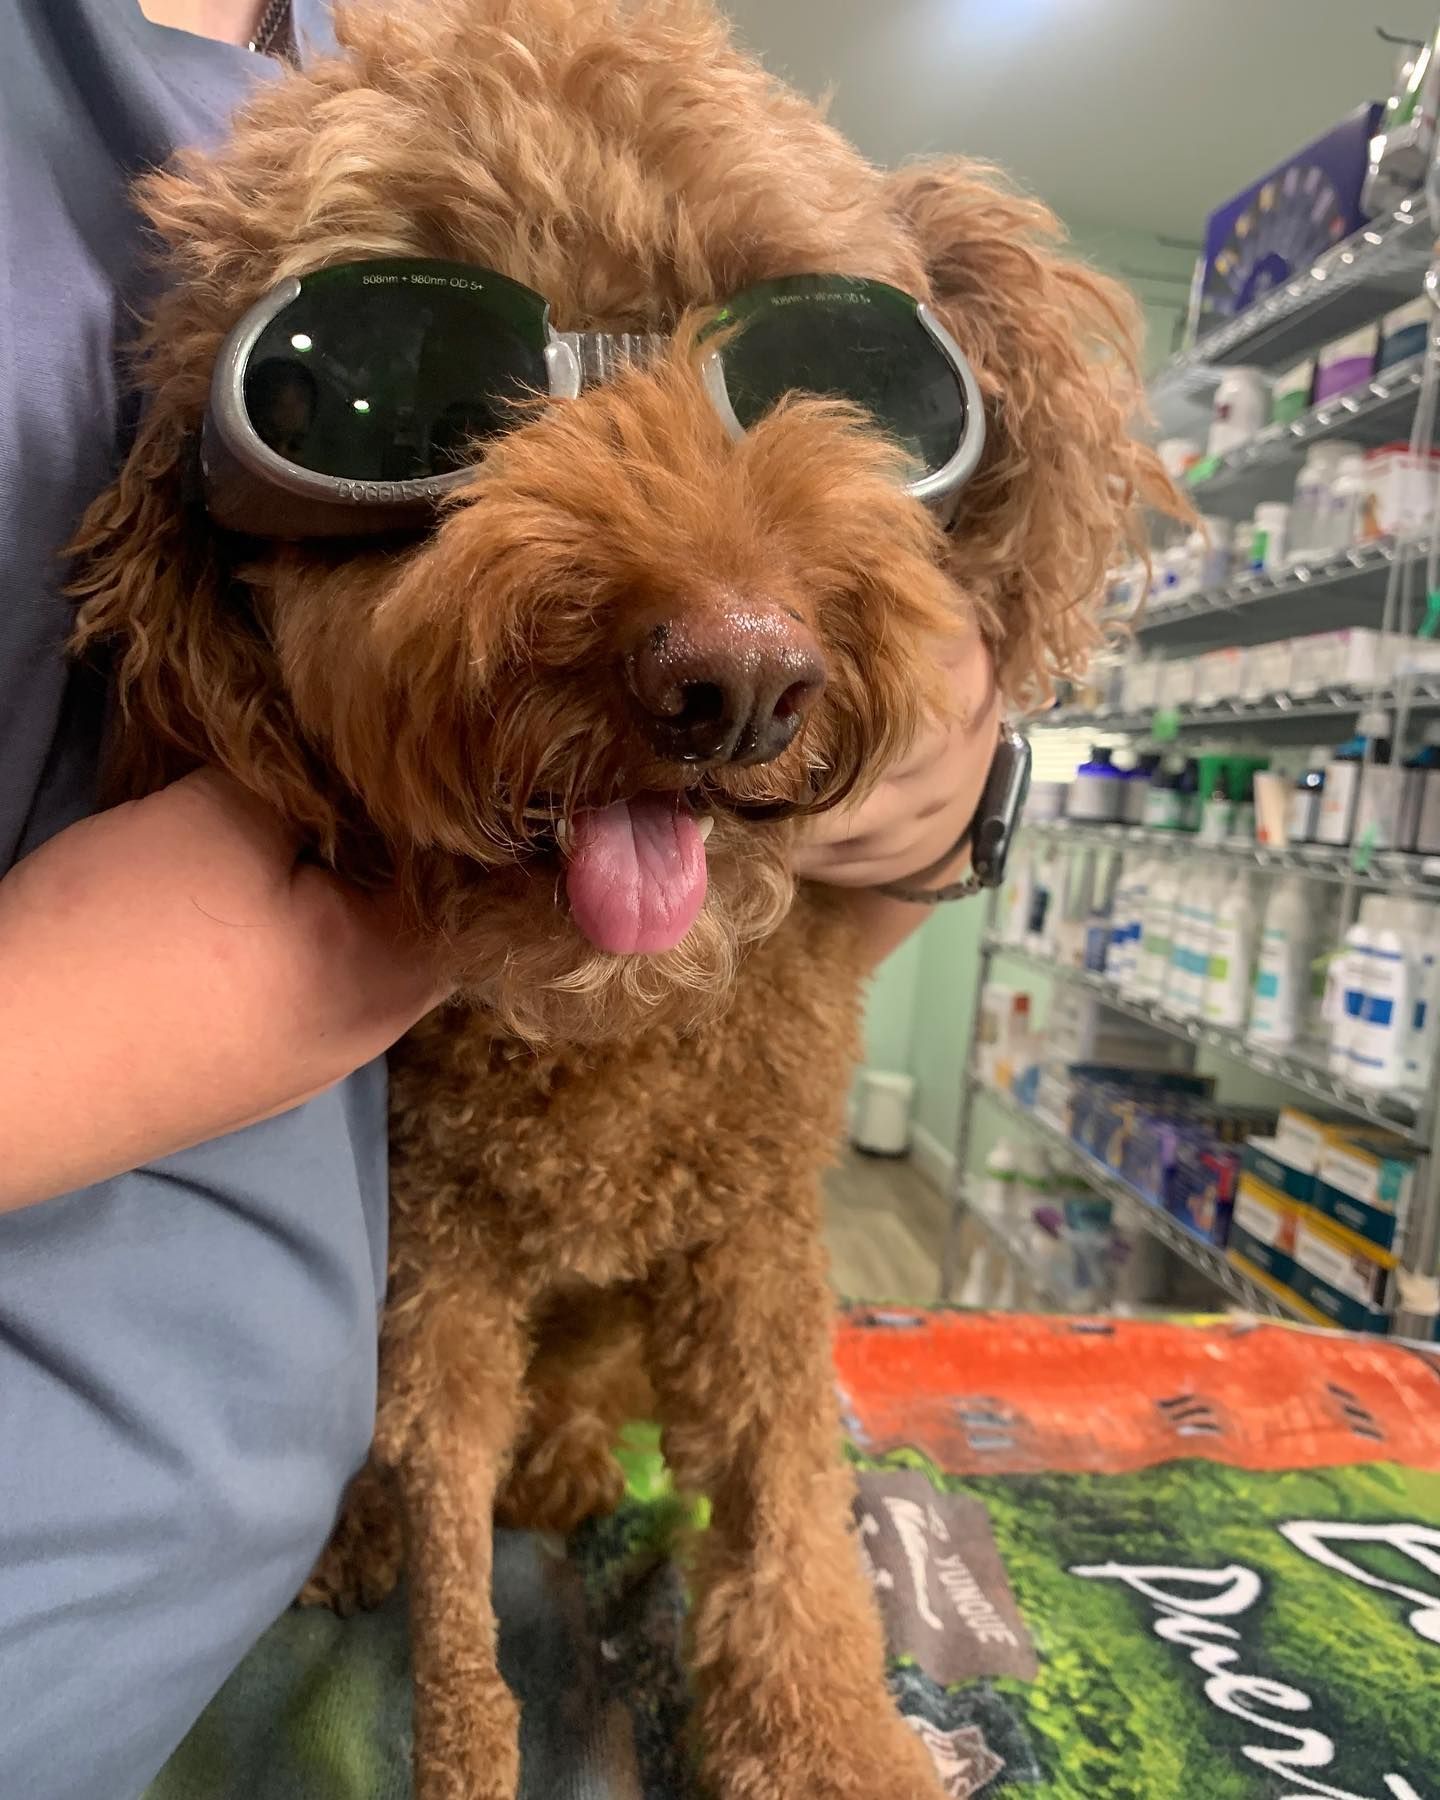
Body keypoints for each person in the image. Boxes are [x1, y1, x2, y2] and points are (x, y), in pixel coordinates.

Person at [0, 1, 1000, 1794]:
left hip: (282, 1525)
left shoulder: (410, 48)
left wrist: (938, 800)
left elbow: (805, 903)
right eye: (421, 401)